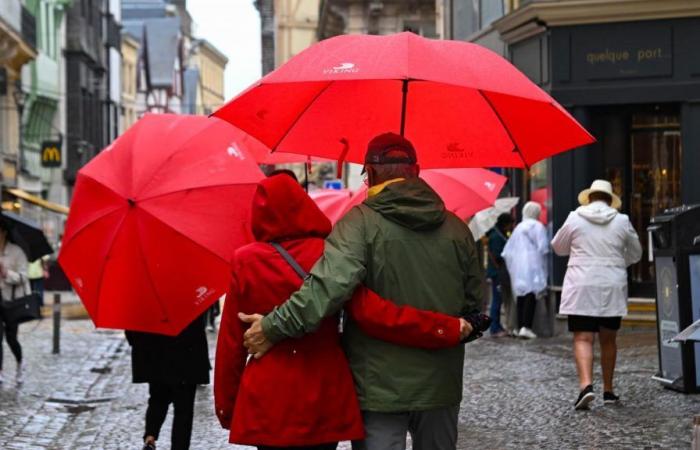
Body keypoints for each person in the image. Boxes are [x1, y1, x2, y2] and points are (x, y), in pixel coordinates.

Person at [240, 133, 483, 449]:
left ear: (369, 171)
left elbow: (326, 289)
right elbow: (474, 303)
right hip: (440, 383)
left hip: (378, 386)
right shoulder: (457, 229)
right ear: (418, 170)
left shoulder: (357, 225)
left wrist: (272, 327)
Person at [551, 179, 642, 410]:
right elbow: (636, 253)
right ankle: (609, 391)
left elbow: (558, 247)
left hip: (581, 283)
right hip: (611, 284)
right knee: (608, 339)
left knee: (583, 337)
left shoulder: (575, 217)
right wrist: (617, 262)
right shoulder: (622, 221)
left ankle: (586, 386)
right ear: (610, 200)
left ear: (589, 197)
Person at [126, 315, 210, 450]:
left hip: (156, 356)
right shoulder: (189, 295)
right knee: (183, 410)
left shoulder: (143, 297)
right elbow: (200, 322)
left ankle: (150, 436)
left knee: (157, 398)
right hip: (186, 355)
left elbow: (131, 330)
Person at [501, 202, 548, 339]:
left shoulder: (518, 228)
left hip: (518, 265)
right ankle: (526, 327)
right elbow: (543, 247)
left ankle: (520, 326)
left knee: (521, 295)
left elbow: (507, 251)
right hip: (533, 264)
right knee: (531, 294)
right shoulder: (538, 226)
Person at [0, 219, 30, 385]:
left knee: (11, 338)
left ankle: (20, 363)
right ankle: (0, 371)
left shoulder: (17, 252)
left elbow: (24, 277)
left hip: (11, 301)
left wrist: (6, 273)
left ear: (4, 232)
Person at [486, 213, 514, 337]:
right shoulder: (496, 236)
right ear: (505, 224)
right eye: (510, 224)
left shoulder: (498, 234)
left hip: (498, 272)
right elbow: (498, 256)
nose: (511, 227)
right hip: (497, 272)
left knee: (498, 299)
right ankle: (494, 328)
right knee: (497, 300)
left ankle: (497, 326)